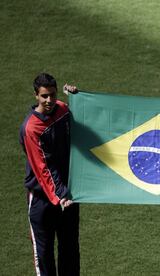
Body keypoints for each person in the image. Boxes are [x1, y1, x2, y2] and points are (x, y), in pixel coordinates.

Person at [19, 73, 80, 276]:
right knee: (44, 257)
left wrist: (77, 99)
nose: (49, 101)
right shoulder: (31, 128)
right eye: (44, 96)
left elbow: (83, 128)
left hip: (67, 195)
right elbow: (42, 166)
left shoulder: (62, 110)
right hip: (42, 200)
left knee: (70, 252)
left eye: (52, 95)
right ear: (36, 95)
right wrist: (61, 194)